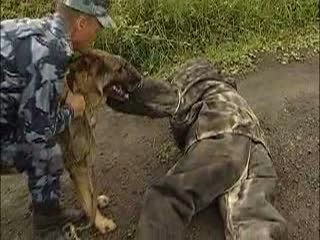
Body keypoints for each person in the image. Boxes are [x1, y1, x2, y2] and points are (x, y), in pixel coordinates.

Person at [106, 58, 288, 240]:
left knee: (165, 197)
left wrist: (124, 88)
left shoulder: (193, 88)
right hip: (259, 152)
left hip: (221, 141)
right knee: (254, 220)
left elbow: (156, 97)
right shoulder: (229, 94)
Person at [0, 0, 114, 239]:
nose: (98, 33)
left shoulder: (42, 29)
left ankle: (47, 208)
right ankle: (49, 228)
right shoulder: (54, 51)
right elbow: (37, 135)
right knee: (48, 151)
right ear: (81, 23)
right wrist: (73, 110)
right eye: (98, 26)